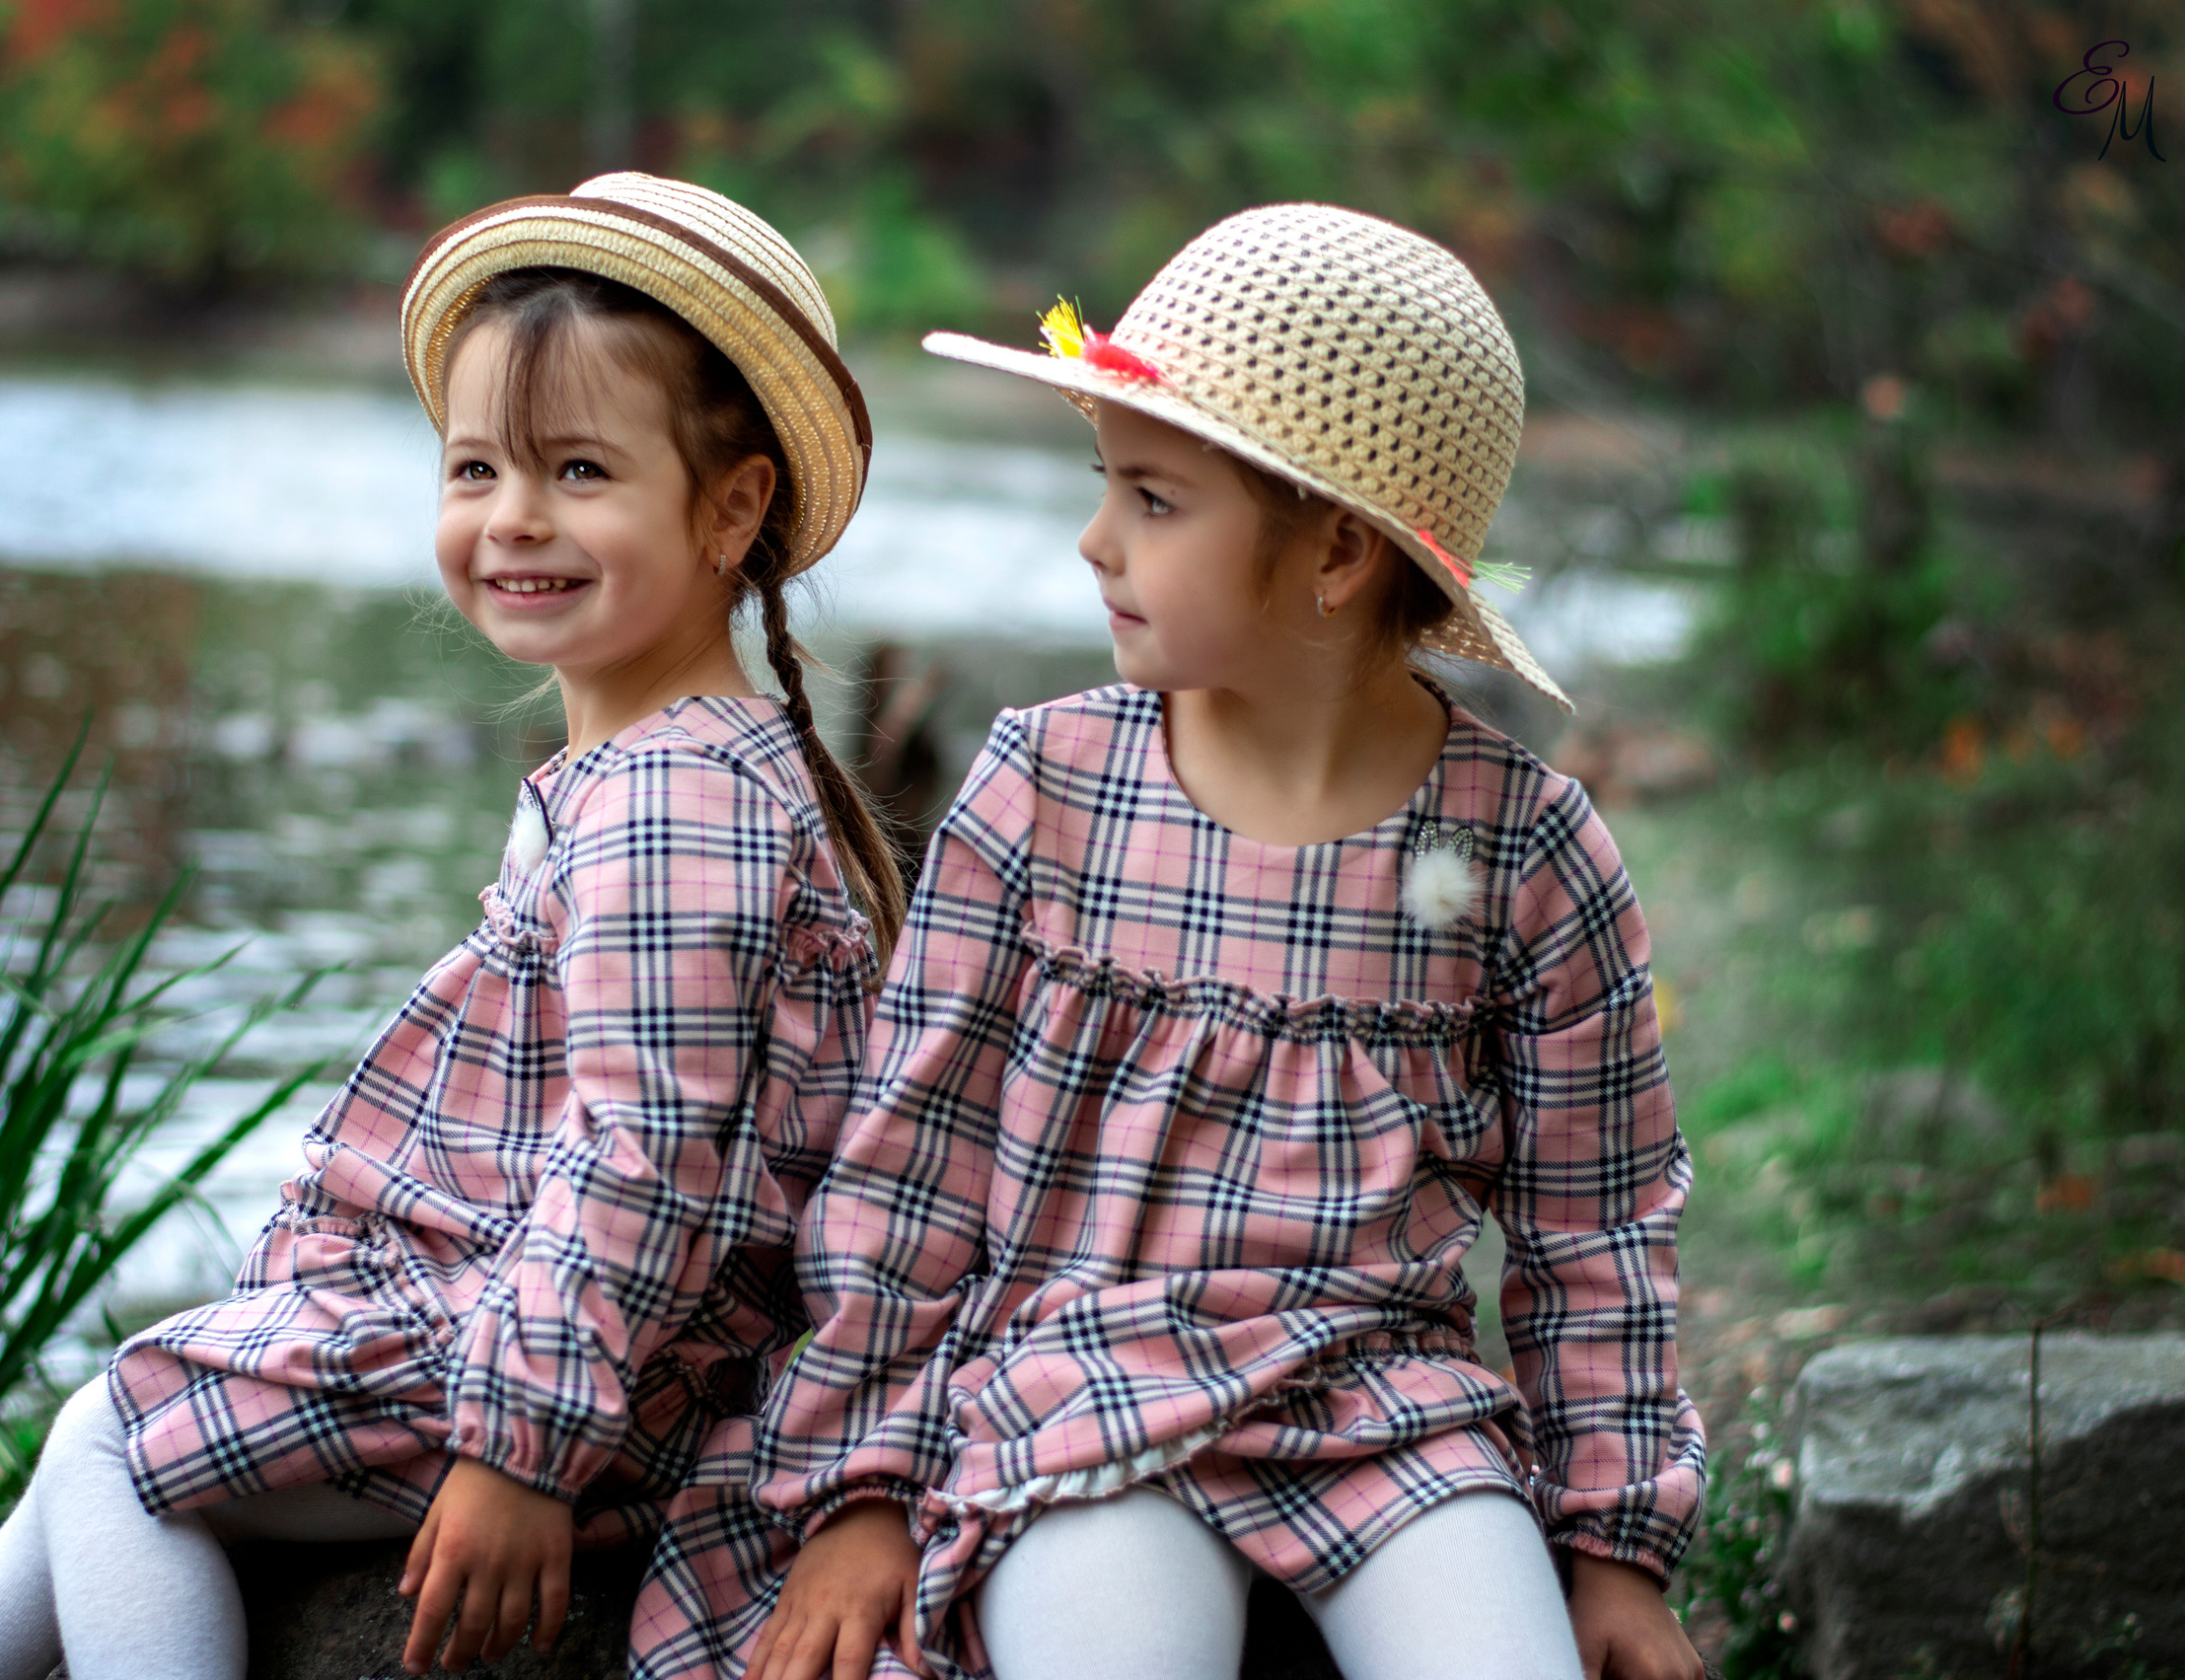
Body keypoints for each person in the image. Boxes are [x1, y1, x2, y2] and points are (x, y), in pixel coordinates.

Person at [633, 204, 1708, 1680]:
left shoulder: (1524, 847)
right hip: (1083, 1386)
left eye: (1153, 497)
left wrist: (1609, 1550)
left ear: (1335, 551)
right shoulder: (1041, 789)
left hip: (1387, 1408)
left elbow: (1598, 1234)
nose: (1096, 539)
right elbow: (910, 1165)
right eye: (1106, 486)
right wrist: (862, 1488)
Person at [0, 173, 904, 1680]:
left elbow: (647, 1156)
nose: (514, 519)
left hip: (609, 1394)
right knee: (103, 1443)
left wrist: (524, 1455)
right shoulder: (666, 766)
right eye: (476, 467)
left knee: (117, 1438)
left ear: (735, 504)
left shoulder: (676, 804)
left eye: (580, 471)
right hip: (584, 1343)